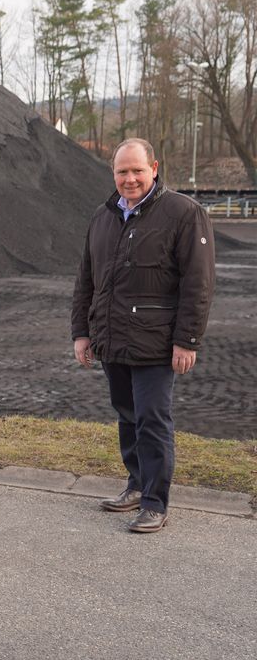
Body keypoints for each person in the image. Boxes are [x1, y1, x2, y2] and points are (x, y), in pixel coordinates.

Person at [71, 138, 215, 533]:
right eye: (122, 171)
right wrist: (82, 333)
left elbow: (198, 283)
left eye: (137, 170)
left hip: (156, 342)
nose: (129, 178)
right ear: (113, 173)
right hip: (112, 339)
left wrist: (187, 340)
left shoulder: (184, 213)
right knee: (127, 416)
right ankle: (136, 485)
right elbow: (86, 280)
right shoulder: (102, 217)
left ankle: (155, 501)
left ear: (154, 167)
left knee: (152, 420)